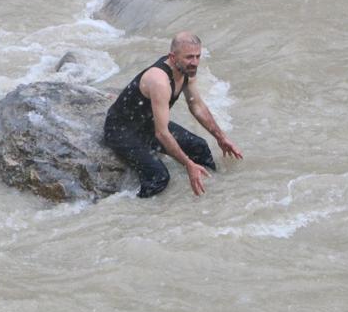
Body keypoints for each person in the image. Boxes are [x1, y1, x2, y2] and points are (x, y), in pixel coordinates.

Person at [103, 31, 243, 197]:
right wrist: (188, 164)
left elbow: (196, 106)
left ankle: (215, 192)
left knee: (199, 147)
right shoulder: (159, 81)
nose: (195, 62)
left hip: (147, 123)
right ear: (172, 56)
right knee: (159, 177)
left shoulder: (186, 71)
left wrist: (221, 137)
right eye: (189, 57)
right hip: (121, 130)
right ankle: (141, 212)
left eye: (198, 56)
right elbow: (162, 133)